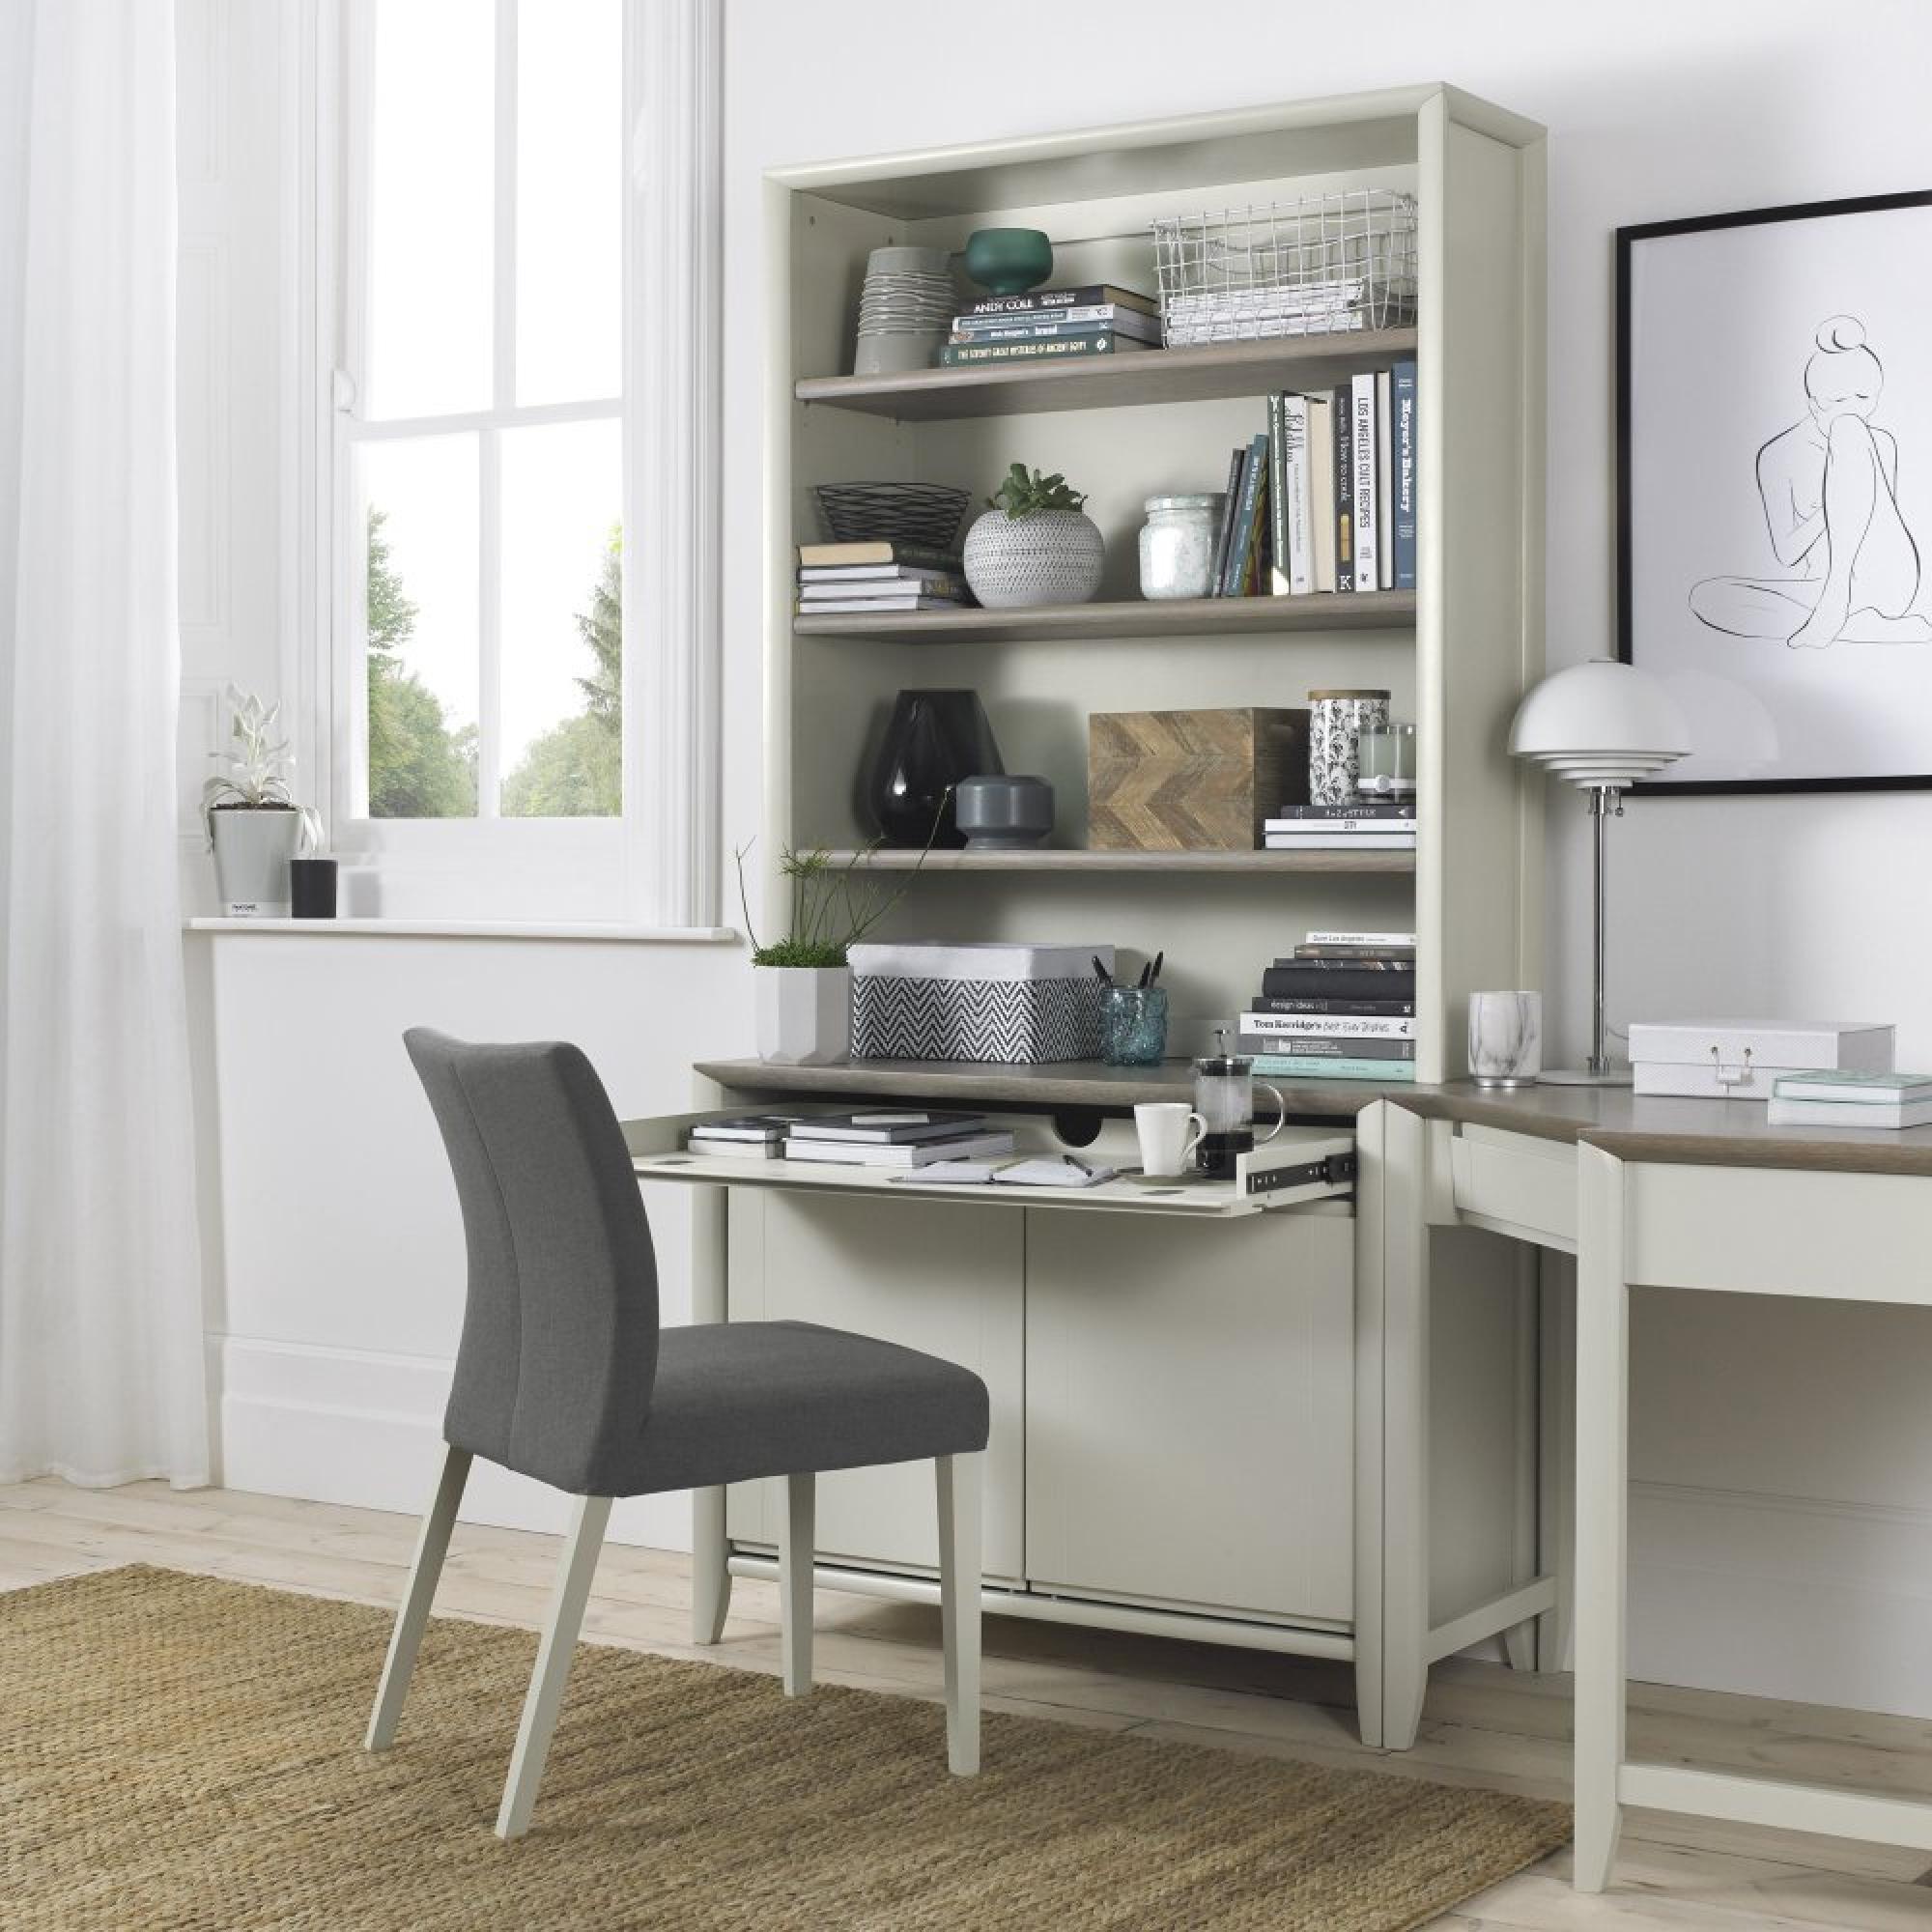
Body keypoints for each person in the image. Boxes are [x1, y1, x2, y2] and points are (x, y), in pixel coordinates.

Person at [1689, 315, 1928, 648]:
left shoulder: (1879, 442)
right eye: (1841, 402)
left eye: (1865, 400)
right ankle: (1860, 627)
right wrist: (1826, 510)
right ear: (1815, 401)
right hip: (1818, 585)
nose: (1856, 411)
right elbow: (1786, 554)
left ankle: (1835, 606)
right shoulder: (1778, 455)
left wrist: (1848, 485)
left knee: (1850, 432)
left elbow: (1883, 526)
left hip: (1885, 579)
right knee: (1708, 598)